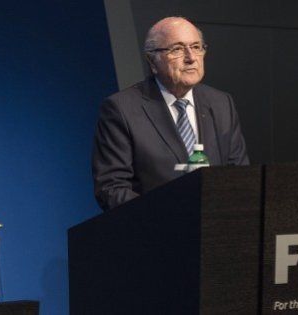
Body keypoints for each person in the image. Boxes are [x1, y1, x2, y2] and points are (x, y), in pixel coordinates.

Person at [92, 17, 249, 211]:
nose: (191, 57)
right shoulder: (122, 108)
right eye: (177, 49)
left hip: (216, 229)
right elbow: (112, 188)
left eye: (196, 47)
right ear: (152, 60)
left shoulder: (221, 103)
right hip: (155, 232)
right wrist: (168, 216)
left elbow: (240, 177)